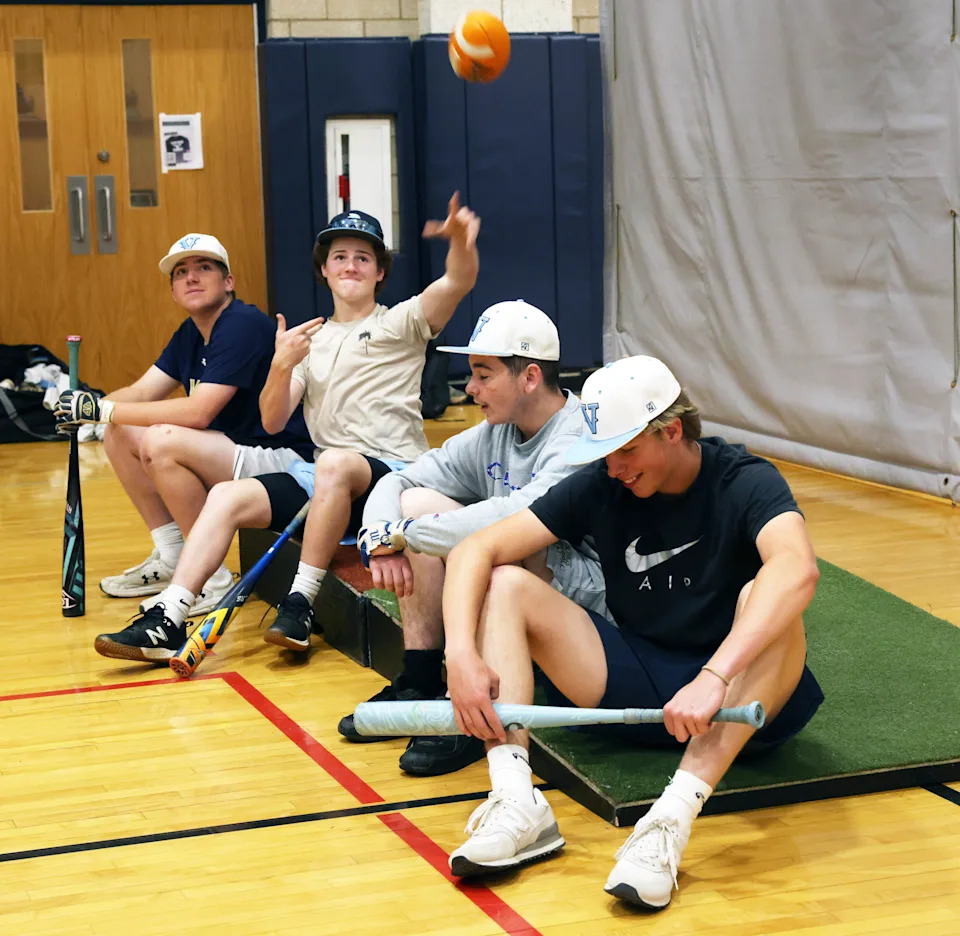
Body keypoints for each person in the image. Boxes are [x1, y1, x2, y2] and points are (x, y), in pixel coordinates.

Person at [440, 355, 824, 910]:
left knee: (770, 598)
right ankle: (516, 799)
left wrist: (716, 675)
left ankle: (669, 819)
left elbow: (798, 568)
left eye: (626, 450)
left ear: (671, 431)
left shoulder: (744, 479)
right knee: (503, 584)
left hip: (744, 703)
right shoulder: (604, 484)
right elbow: (478, 548)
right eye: (605, 453)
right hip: (645, 685)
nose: (614, 467)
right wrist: (459, 655)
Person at [93, 196, 480, 663]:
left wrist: (460, 241)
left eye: (363, 257)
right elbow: (273, 418)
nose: (350, 265)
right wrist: (280, 364)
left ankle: (300, 602)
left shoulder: (404, 321)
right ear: (324, 270)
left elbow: (457, 280)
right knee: (227, 497)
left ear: (380, 272)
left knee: (334, 463)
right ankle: (171, 617)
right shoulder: (306, 340)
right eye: (340, 256)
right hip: (325, 481)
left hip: (392, 477)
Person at [346, 300, 608, 777]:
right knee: (420, 504)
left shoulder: (576, 439)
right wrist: (377, 534)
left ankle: (476, 715)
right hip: (523, 581)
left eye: (484, 375)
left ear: (530, 377)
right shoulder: (495, 431)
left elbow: (519, 515)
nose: (470, 388)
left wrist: (403, 538)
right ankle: (421, 679)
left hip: (588, 609)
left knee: (503, 551)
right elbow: (399, 480)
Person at [55, 234, 313, 617]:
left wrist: (102, 410)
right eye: (181, 273)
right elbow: (144, 391)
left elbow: (198, 413)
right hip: (231, 449)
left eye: (204, 268)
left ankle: (212, 578)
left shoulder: (240, 324)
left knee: (162, 442)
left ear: (228, 282)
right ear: (173, 290)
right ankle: (176, 556)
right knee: (120, 433)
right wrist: (81, 406)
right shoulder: (191, 333)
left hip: (282, 459)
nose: (191, 278)